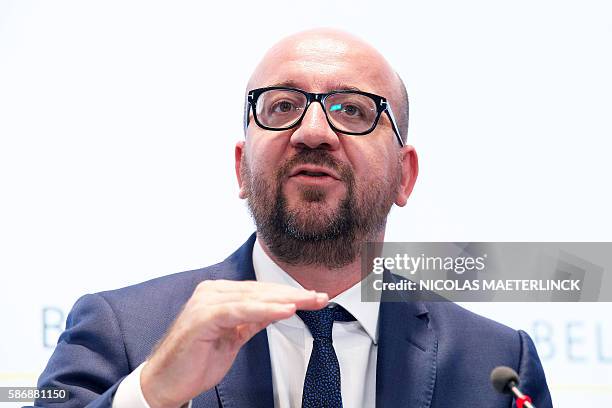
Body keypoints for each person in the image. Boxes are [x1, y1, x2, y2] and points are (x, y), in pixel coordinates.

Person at [36, 28, 552, 408]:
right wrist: (149, 395)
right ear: (241, 167)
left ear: (404, 176)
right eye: (281, 106)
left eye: (352, 109)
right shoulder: (122, 329)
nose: (312, 132)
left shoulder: (497, 364)